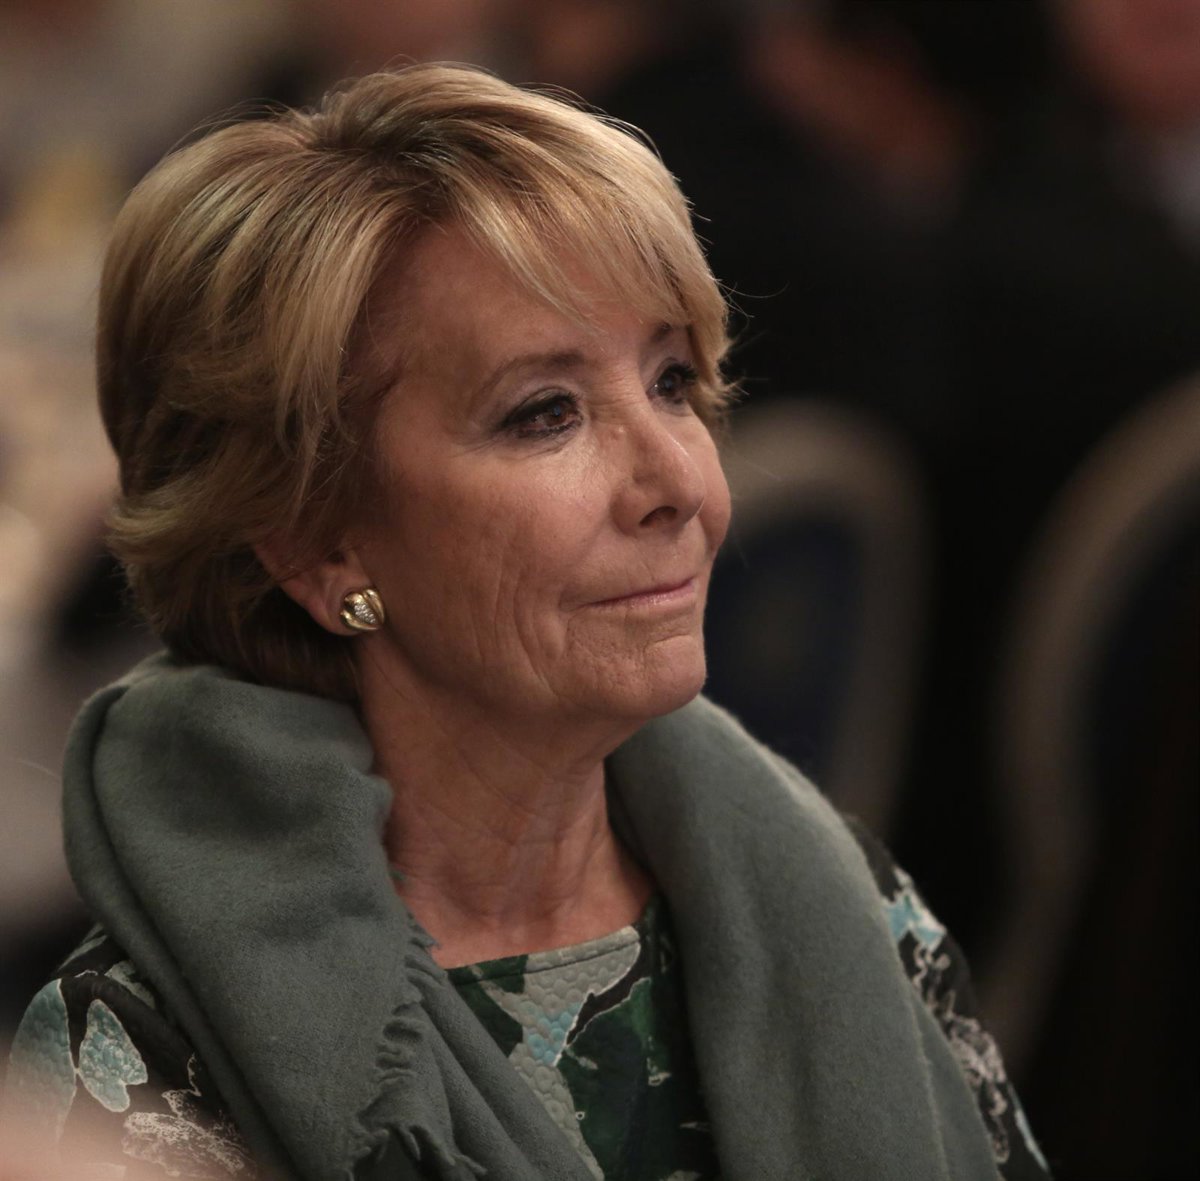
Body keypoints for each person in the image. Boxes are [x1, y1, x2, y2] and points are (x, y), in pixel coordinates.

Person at [0, 65, 1050, 1180]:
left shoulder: (833, 895)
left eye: (672, 381)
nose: (678, 483)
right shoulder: (146, 1061)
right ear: (314, 543)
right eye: (546, 413)